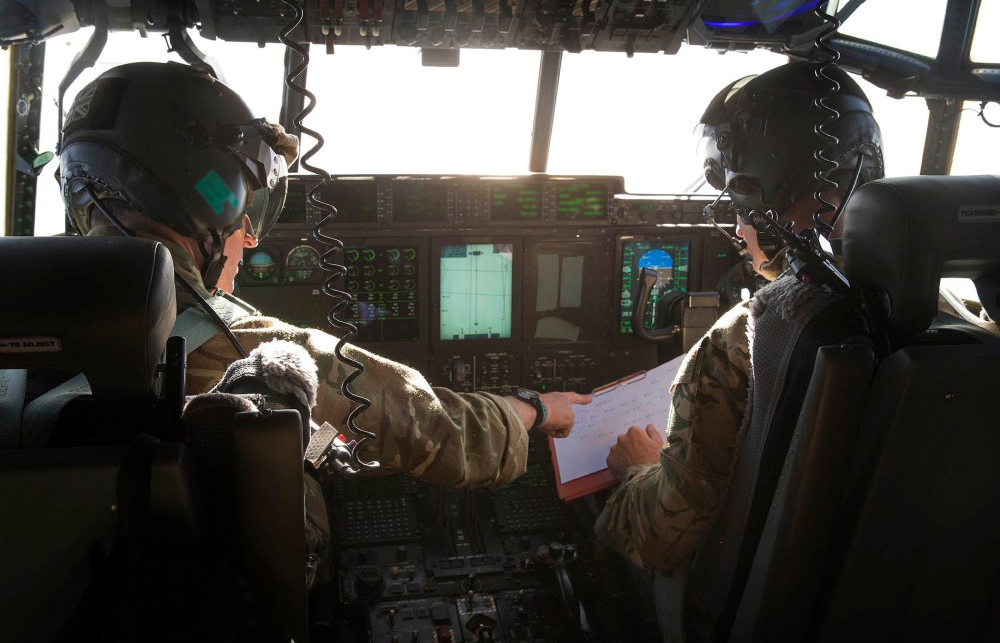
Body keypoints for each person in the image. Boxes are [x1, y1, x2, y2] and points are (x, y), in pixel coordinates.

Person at [58, 61, 591, 490]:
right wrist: (537, 409)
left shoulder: (31, 297)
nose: (249, 237)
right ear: (206, 190)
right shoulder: (229, 345)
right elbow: (434, 429)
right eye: (244, 208)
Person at [593, 61, 884, 635]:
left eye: (737, 203)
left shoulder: (754, 334)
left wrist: (638, 470)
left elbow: (661, 537)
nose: (738, 228)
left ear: (764, 199)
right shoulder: (951, 318)